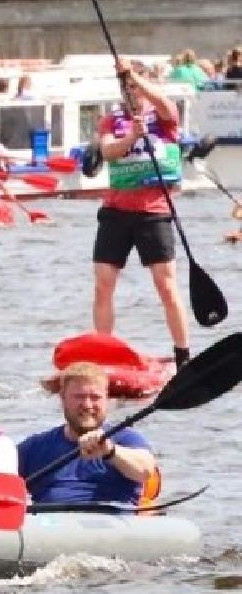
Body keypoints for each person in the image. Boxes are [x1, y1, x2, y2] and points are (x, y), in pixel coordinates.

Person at [92, 62, 190, 366]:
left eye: (135, 86)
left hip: (153, 211)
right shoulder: (111, 120)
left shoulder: (164, 116)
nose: (131, 92)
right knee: (103, 283)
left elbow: (163, 103)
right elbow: (108, 152)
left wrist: (134, 77)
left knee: (165, 283)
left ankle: (182, 354)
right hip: (116, 210)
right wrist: (132, 136)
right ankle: (105, 352)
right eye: (126, 87)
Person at [18, 362, 160, 510]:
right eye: (79, 397)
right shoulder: (35, 447)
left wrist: (110, 452)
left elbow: (145, 470)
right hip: (53, 528)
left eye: (95, 397)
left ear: (107, 400)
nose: (87, 405)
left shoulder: (126, 439)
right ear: (62, 399)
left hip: (113, 528)